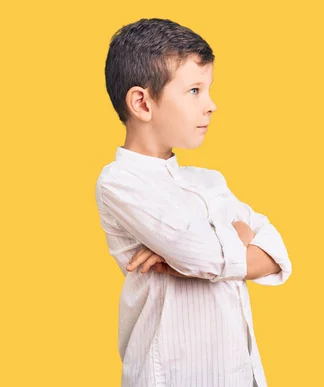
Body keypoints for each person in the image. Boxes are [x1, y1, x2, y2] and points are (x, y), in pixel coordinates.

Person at [94, 18, 292, 387]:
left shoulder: (210, 181)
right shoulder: (120, 183)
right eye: (195, 91)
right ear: (141, 102)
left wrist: (200, 253)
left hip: (240, 374)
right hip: (171, 376)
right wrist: (238, 237)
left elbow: (276, 255)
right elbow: (199, 254)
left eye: (209, 89)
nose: (212, 105)